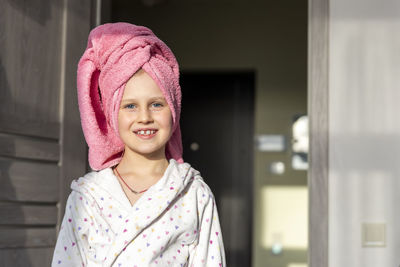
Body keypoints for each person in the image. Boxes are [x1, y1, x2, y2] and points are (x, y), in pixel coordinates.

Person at [51, 22, 226, 267]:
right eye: (130, 106)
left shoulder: (193, 194)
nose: (144, 117)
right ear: (113, 114)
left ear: (174, 110)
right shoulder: (87, 196)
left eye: (156, 104)